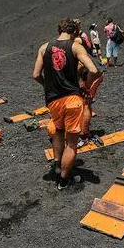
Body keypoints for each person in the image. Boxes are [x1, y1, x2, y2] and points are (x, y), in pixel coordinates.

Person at [33, 18, 99, 190]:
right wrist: (86, 88)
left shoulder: (43, 48)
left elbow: (35, 75)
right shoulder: (75, 46)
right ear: (75, 31)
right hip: (72, 99)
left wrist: (47, 85)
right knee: (71, 142)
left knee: (58, 132)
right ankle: (64, 179)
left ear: (59, 30)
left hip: (53, 100)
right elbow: (93, 70)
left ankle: (57, 164)